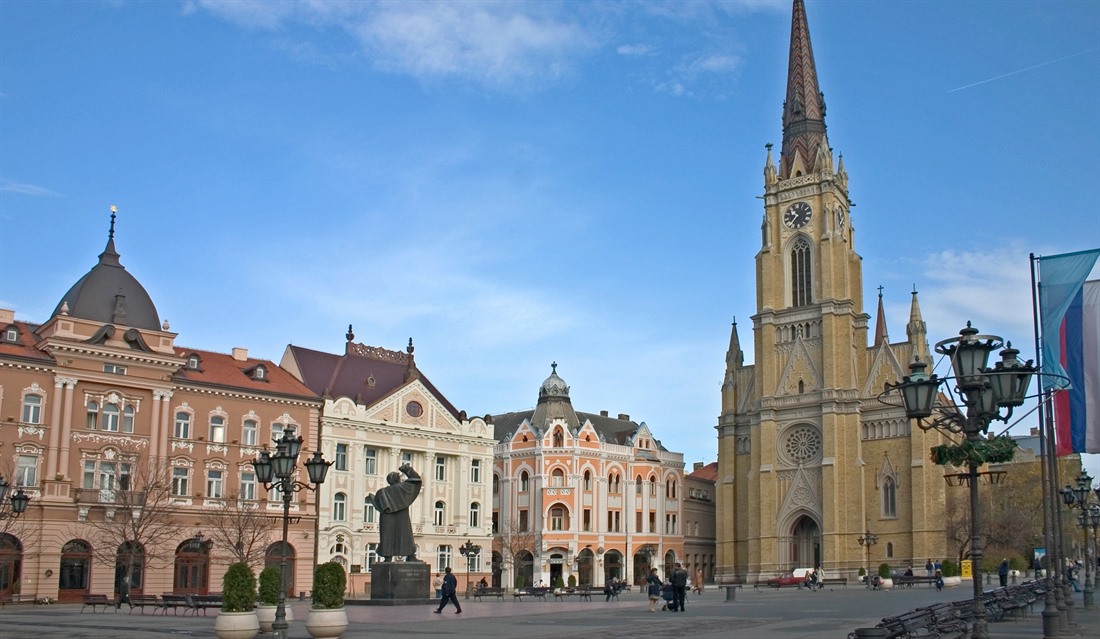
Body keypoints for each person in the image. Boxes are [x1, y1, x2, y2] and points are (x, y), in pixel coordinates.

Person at [365, 463, 422, 562]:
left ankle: (387, 557)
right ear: (397, 479)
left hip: (387, 519)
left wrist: (373, 499)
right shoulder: (403, 488)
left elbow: (378, 505)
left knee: (387, 536)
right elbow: (416, 480)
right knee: (406, 535)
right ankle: (410, 556)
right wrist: (408, 471)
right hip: (402, 517)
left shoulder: (381, 492)